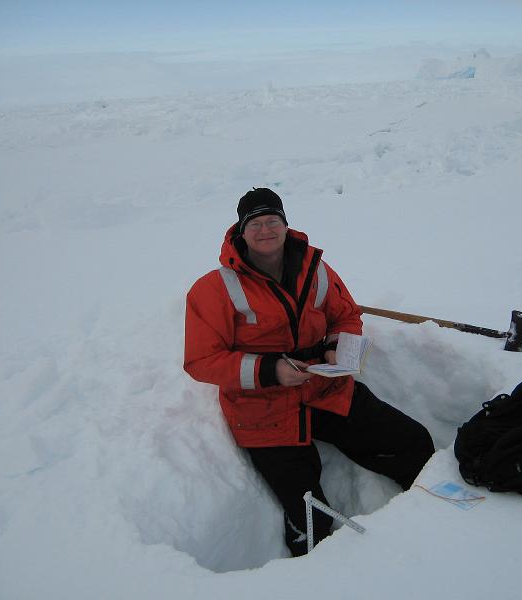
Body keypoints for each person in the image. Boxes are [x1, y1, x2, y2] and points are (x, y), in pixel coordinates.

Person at [184, 187, 435, 556]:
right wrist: (272, 371)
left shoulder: (314, 268)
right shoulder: (214, 288)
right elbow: (202, 360)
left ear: (286, 225)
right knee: (311, 517)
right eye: (256, 223)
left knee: (414, 443)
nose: (266, 229)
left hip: (323, 388)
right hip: (263, 411)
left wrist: (336, 347)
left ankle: (435, 523)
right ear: (241, 231)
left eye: (273, 220)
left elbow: (346, 315)